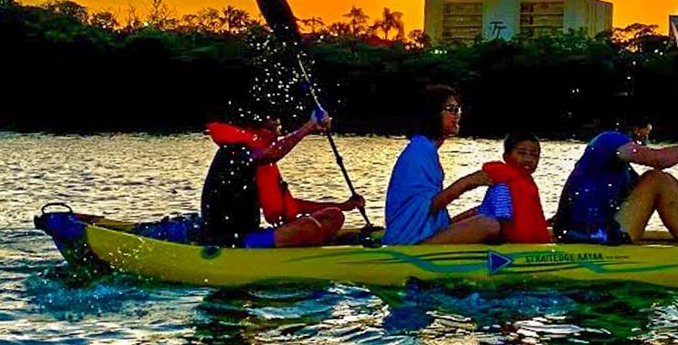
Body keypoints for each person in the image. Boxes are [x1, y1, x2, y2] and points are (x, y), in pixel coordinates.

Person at [201, 104, 363, 248]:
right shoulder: (234, 152)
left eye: (278, 129)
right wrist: (308, 128)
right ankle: (309, 246)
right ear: (250, 130)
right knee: (308, 227)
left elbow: (287, 207)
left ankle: (316, 243)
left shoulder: (260, 164)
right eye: (270, 129)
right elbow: (271, 154)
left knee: (333, 215)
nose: (275, 135)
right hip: (233, 240)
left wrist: (344, 206)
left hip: (254, 233)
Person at [554, 119, 678, 247]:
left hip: (595, 232)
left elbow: (669, 198)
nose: (646, 136)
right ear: (639, 130)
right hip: (590, 236)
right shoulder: (609, 140)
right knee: (658, 177)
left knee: (666, 181)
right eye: (646, 130)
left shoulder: (621, 170)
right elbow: (659, 160)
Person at [382, 85, 500, 246]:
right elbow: (429, 207)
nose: (457, 115)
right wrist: (468, 182)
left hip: (424, 229)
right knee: (488, 225)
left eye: (458, 109)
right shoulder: (419, 151)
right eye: (450, 109)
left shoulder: (425, 148)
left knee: (486, 211)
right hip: (410, 239)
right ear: (432, 114)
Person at [476, 131, 553, 244]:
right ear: (506, 157)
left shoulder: (527, 182)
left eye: (534, 155)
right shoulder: (503, 185)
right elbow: (503, 220)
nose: (528, 159)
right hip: (508, 245)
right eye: (522, 153)